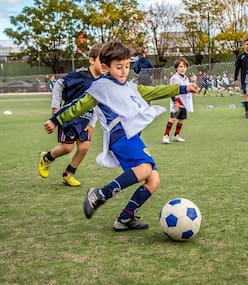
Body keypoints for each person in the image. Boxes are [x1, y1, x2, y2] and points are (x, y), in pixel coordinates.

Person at [43, 41, 198, 231]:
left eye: (127, 66)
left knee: (153, 180)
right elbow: (77, 106)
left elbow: (155, 91)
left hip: (132, 136)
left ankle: (125, 218)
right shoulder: (100, 88)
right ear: (106, 67)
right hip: (119, 135)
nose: (124, 71)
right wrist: (56, 119)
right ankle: (100, 194)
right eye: (119, 67)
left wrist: (183, 88)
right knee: (145, 168)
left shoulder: (130, 87)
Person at [38, 44, 103, 187]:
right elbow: (59, 84)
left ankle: (68, 174)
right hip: (69, 117)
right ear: (92, 60)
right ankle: (46, 158)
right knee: (67, 148)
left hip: (85, 120)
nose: (105, 64)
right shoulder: (80, 74)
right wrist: (55, 106)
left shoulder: (102, 82)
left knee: (84, 148)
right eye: (101, 60)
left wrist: (92, 124)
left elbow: (97, 103)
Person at [162, 57, 194, 144]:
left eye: (184, 66)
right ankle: (166, 135)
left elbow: (186, 89)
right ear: (176, 68)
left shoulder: (186, 78)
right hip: (176, 102)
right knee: (173, 118)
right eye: (180, 66)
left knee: (181, 119)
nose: (182, 68)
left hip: (184, 103)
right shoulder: (174, 78)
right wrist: (175, 102)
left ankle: (176, 135)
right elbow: (172, 91)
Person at [234, 38, 248, 118]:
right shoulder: (241, 56)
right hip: (245, 79)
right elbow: (237, 68)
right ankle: (247, 111)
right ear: (244, 45)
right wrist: (235, 79)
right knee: (246, 94)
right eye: (246, 44)